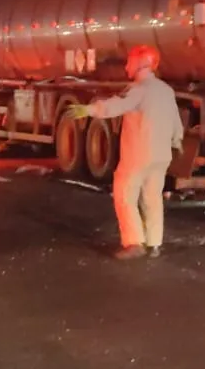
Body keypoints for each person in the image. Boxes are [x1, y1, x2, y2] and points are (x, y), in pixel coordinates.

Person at [66, 45, 185, 260]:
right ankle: (154, 243)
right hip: (161, 155)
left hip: (139, 153)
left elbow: (117, 106)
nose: (127, 65)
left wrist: (89, 109)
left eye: (130, 61)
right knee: (152, 198)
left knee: (125, 195)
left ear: (141, 64)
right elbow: (176, 122)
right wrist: (177, 141)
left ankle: (133, 242)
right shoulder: (166, 90)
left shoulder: (138, 90)